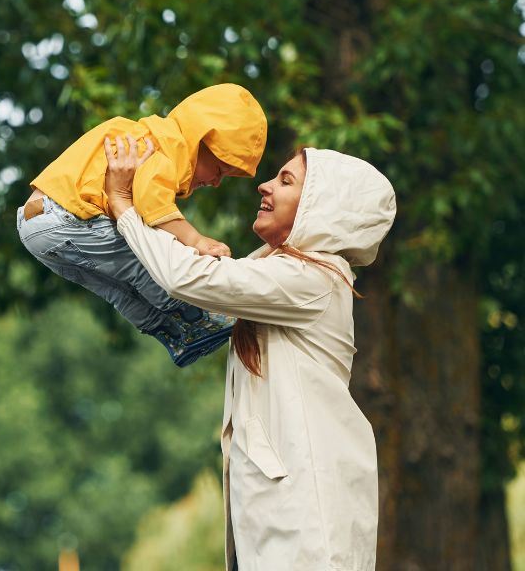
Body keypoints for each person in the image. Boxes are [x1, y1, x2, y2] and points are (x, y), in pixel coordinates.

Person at [104, 136, 396, 571]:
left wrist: (124, 204)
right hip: (283, 514)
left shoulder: (313, 279)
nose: (264, 186)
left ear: (321, 206)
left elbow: (189, 279)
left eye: (286, 180)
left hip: (308, 515)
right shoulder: (281, 274)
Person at [17, 84, 267, 367]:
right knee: (144, 260)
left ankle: (175, 334)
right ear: (200, 139)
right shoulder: (162, 148)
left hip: (34, 225)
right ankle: (199, 314)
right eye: (221, 169)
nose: (217, 182)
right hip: (66, 218)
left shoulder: (149, 137)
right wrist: (196, 242)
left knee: (118, 288)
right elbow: (153, 206)